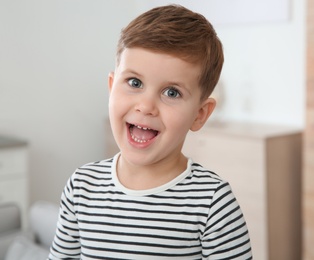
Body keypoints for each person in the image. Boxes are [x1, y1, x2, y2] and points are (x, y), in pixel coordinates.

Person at [49, 4, 252, 259]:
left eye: (171, 92)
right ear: (112, 88)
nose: (146, 106)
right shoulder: (81, 187)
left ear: (200, 114)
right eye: (134, 83)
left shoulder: (213, 203)